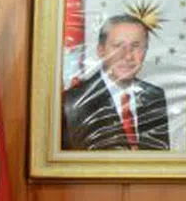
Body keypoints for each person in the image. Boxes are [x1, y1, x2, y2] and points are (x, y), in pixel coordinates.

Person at [61, 14, 170, 151]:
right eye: (118, 45)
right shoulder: (73, 101)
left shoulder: (155, 96)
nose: (128, 56)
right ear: (100, 51)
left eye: (136, 46)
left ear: (145, 50)